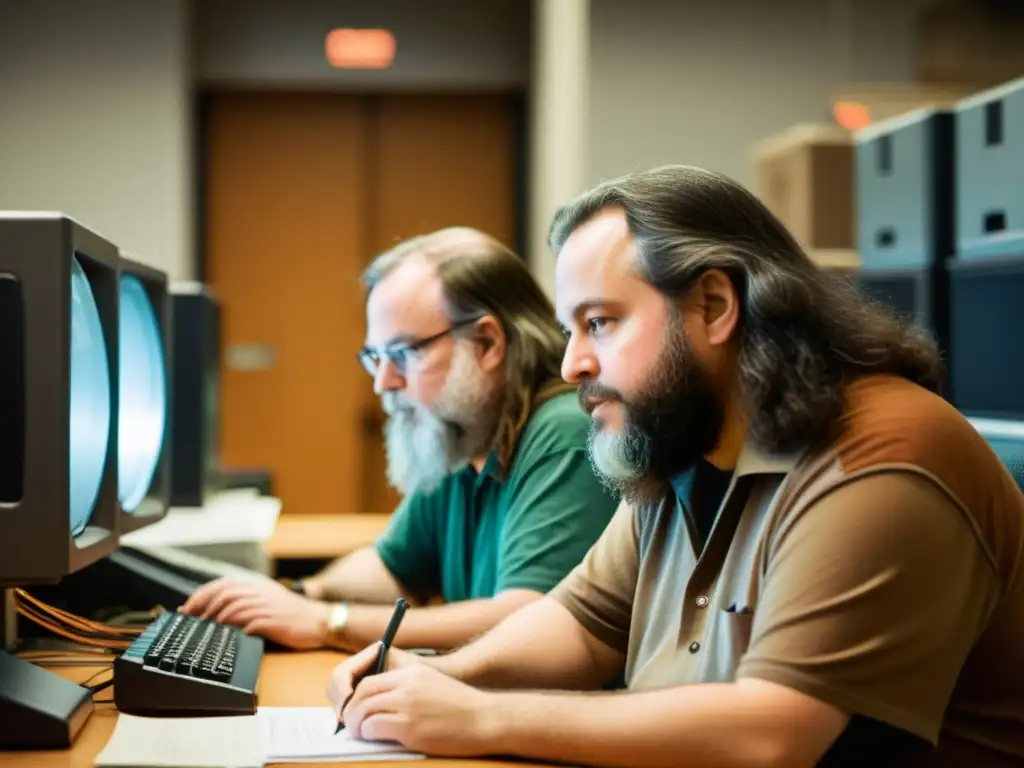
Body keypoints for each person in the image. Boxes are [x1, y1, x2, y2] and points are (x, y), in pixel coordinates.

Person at [325, 166, 1024, 766]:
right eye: (571, 330)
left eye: (599, 323)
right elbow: (581, 623)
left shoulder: (880, 457)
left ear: (713, 306)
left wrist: (479, 717)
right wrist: (433, 675)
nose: (573, 365)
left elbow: (773, 733)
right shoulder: (684, 441)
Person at [181, 227, 619, 652]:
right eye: (377, 358)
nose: (383, 383)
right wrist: (303, 592)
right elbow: (391, 567)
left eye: (404, 353)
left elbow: (528, 620)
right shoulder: (463, 436)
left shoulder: (564, 432)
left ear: (486, 343)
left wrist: (327, 623)